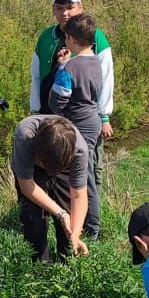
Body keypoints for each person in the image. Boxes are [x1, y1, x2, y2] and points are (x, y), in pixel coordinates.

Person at [29, 0, 114, 218]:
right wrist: (36, 109)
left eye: (70, 7)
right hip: (52, 114)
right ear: (53, 10)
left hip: (84, 115)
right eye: (60, 8)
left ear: (80, 7)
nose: (65, 13)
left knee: (86, 168)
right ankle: (58, 214)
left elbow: (106, 77)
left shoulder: (95, 36)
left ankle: (89, 221)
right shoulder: (47, 37)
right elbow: (36, 74)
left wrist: (104, 115)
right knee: (52, 165)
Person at [48, 13, 104, 239]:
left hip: (77, 122)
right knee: (87, 172)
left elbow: (58, 99)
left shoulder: (70, 68)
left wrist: (62, 67)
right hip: (93, 120)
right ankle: (90, 223)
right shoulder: (96, 61)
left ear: (70, 39)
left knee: (84, 176)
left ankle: (92, 228)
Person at [10, 114, 90, 262]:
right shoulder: (25, 137)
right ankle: (40, 266)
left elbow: (79, 196)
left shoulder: (79, 150)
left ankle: (67, 260)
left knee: (69, 215)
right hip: (34, 167)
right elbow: (27, 186)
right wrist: (61, 214)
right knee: (33, 216)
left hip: (61, 160)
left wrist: (75, 234)